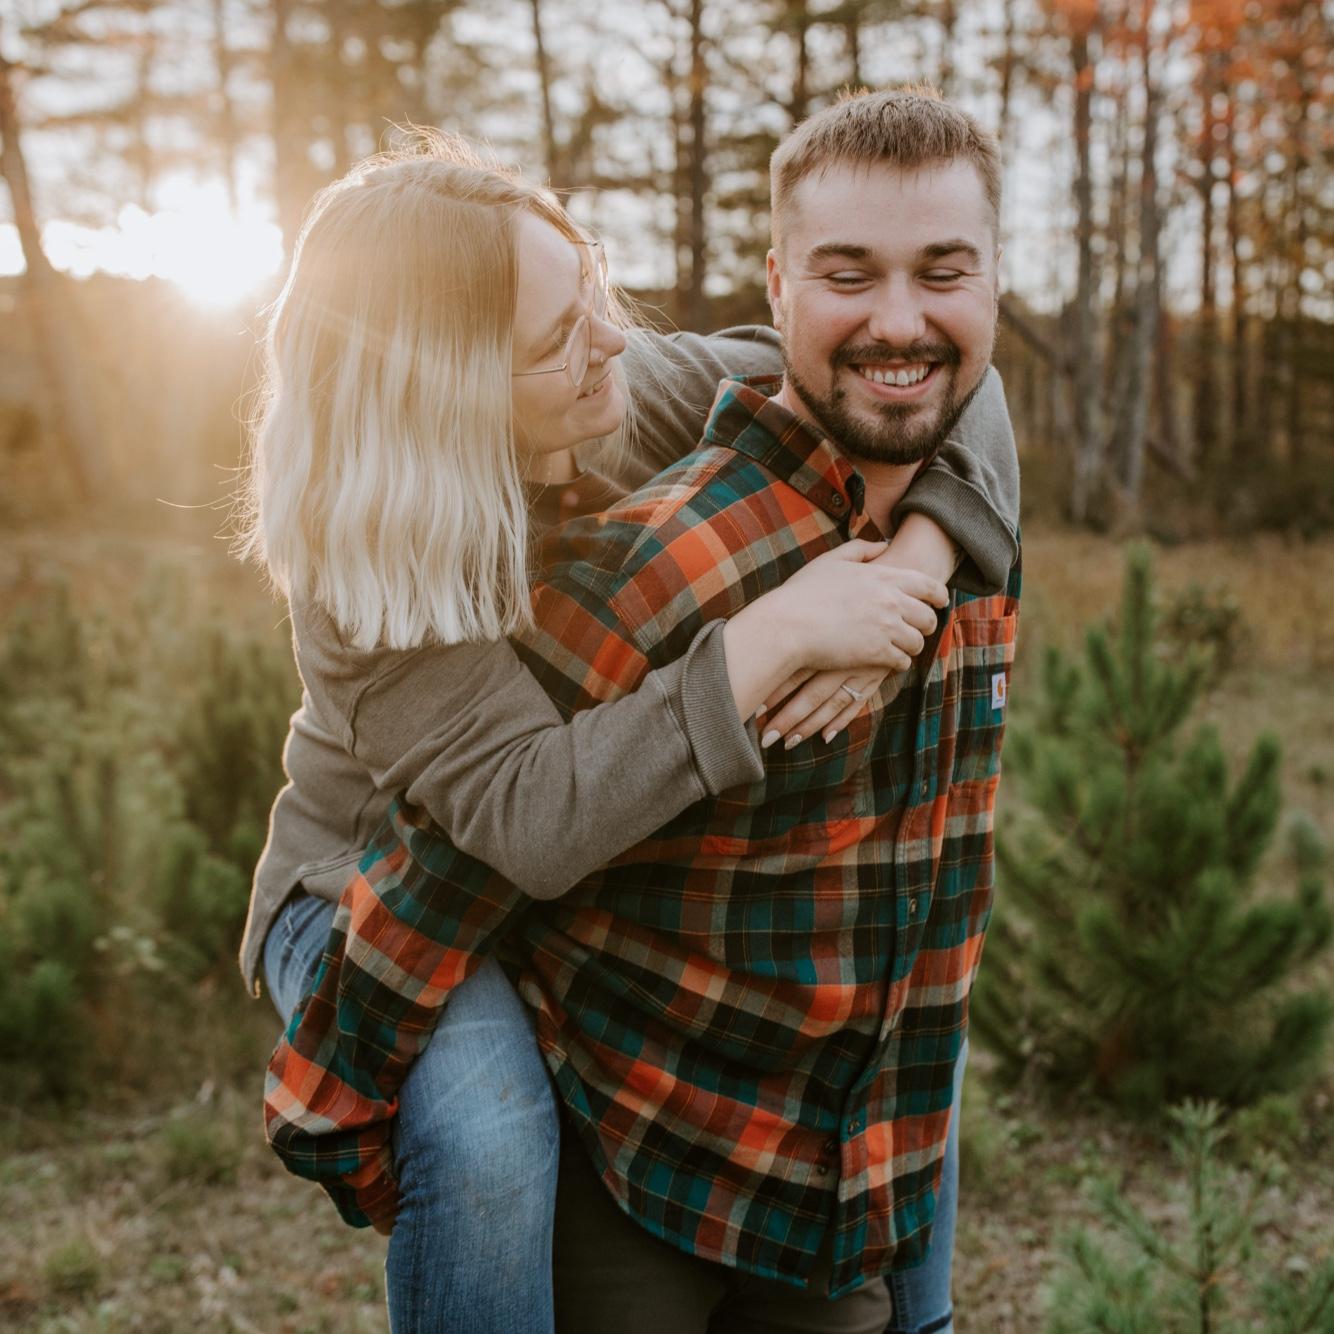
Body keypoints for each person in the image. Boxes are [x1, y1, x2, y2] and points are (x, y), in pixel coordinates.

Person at [258, 94, 1019, 1334]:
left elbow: (930, 379)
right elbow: (531, 817)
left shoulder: (623, 392)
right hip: (373, 884)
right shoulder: (369, 567)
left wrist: (918, 563)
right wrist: (764, 644)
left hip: (574, 869)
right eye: (560, 337)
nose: (612, 343)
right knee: (491, 1124)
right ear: (451, 389)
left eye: (594, 292)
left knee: (880, 1038)